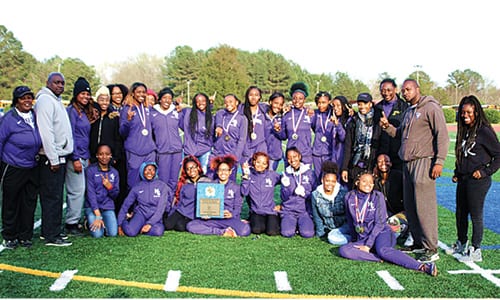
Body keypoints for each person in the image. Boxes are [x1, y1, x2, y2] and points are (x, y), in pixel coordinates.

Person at [380, 78, 449, 263]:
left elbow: (442, 136)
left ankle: (431, 247)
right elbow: (400, 134)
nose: (405, 93)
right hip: (407, 163)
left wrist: (439, 162)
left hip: (423, 162)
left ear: (417, 89)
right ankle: (419, 243)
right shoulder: (409, 112)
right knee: (411, 206)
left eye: (408, 89)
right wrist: (388, 128)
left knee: (424, 207)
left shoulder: (430, 107)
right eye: (403, 90)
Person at [338, 172, 437, 277]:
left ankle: (422, 266)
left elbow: (379, 223)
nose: (368, 184)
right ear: (357, 182)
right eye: (364, 181)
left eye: (371, 182)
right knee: (344, 250)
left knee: (383, 250)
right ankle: (377, 258)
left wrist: (367, 245)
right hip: (364, 236)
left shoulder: (377, 196)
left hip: (382, 233)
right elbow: (350, 219)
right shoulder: (349, 197)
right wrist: (355, 239)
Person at [448, 95, 500, 262]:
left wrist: (485, 172)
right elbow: (462, 155)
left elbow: (498, 155)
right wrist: (457, 171)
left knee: (475, 214)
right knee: (460, 213)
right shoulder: (464, 130)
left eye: (469, 112)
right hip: (464, 179)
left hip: (478, 180)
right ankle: (462, 242)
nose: (465, 115)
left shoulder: (484, 131)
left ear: (477, 112)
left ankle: (476, 249)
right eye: (462, 112)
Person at [34, 72, 73, 246]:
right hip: (51, 158)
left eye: (62, 83)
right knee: (51, 196)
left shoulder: (55, 100)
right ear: (48, 83)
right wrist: (53, 157)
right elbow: (46, 131)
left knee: (57, 196)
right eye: (56, 82)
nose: (60, 86)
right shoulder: (45, 101)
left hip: (60, 155)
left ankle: (53, 230)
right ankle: (51, 235)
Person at [0, 86, 41, 249]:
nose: (27, 101)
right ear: (16, 100)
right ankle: (10, 235)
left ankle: (25, 235)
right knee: (11, 202)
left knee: (29, 202)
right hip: (13, 166)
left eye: (29, 97)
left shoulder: (35, 115)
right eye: (23, 98)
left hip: (32, 166)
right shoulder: (9, 118)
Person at [187, 154, 251, 237]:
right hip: (213, 220)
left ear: (230, 172)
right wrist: (204, 214)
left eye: (226, 170)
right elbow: (203, 204)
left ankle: (230, 227)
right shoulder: (210, 186)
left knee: (245, 230)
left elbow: (238, 206)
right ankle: (222, 232)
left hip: (229, 220)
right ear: (217, 172)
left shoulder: (235, 187)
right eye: (220, 170)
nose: (223, 172)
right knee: (191, 226)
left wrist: (232, 214)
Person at [65, 77, 98, 235]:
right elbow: (70, 135)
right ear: (76, 94)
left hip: (85, 156)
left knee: (84, 189)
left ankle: (78, 219)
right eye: (82, 94)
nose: (85, 97)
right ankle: (71, 222)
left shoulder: (84, 112)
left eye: (87, 94)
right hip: (76, 157)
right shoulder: (71, 111)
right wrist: (75, 157)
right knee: (77, 190)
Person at [89, 86, 124, 213]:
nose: (104, 103)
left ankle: (109, 212)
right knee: (93, 186)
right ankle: (92, 213)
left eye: (106, 100)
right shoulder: (92, 115)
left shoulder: (113, 117)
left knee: (109, 185)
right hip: (94, 157)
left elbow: (117, 138)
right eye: (101, 99)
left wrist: (115, 156)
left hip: (108, 158)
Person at [119, 82, 157, 190]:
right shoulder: (127, 109)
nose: (141, 94)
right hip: (134, 151)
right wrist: (128, 120)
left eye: (144, 92)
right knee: (133, 183)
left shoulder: (148, 108)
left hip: (149, 151)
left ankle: (147, 206)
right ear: (133, 93)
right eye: (138, 92)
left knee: (149, 181)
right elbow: (122, 132)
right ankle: (133, 206)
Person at [118, 162, 171, 237]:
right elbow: (126, 204)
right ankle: (131, 224)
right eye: (146, 169)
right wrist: (120, 223)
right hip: (141, 214)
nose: (149, 172)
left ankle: (140, 228)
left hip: (155, 215)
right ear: (142, 171)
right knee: (130, 232)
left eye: (152, 169)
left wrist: (150, 224)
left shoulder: (162, 186)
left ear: (156, 171)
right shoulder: (137, 187)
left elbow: (161, 209)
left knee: (158, 231)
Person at [341, 93, 381, 189]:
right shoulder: (353, 121)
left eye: (365, 103)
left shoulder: (378, 121)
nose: (362, 106)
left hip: (371, 163)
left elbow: (381, 145)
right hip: (355, 163)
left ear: (370, 104)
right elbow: (348, 146)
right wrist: (345, 168)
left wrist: (376, 165)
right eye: (360, 104)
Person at [164, 155, 212, 232]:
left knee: (180, 227)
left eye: (193, 167)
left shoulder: (207, 182)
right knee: (167, 225)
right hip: (182, 211)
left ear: (198, 167)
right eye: (188, 169)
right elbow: (179, 201)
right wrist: (171, 213)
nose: (191, 170)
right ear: (186, 171)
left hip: (193, 214)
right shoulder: (185, 183)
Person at [278, 147, 316, 238]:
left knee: (308, 233)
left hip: (304, 211)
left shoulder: (309, 173)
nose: (292, 160)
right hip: (289, 211)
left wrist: (305, 193)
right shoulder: (286, 174)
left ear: (299, 156)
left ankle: (301, 224)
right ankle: (291, 224)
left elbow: (315, 195)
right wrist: (286, 188)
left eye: (294, 156)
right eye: (289, 157)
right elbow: (284, 198)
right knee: (287, 233)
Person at [241, 152, 281, 236]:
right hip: (256, 211)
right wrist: (246, 176)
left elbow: (287, 183)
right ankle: (254, 219)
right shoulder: (249, 174)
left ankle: (277, 220)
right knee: (256, 230)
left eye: (264, 163)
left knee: (272, 232)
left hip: (270, 210)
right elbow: (244, 192)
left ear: (267, 165)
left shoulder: (272, 175)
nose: (261, 165)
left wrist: (282, 205)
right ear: (254, 162)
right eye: (258, 162)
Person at [151, 87, 183, 190]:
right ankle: (163, 204)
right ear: (160, 99)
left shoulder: (176, 112)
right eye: (164, 98)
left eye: (170, 98)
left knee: (174, 181)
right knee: (163, 181)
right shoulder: (152, 113)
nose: (167, 100)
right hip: (162, 151)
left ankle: (171, 205)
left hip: (177, 151)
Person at [311, 161, 350, 245]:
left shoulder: (343, 193)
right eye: (327, 181)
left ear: (336, 182)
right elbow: (317, 216)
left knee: (332, 238)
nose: (330, 184)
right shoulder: (315, 195)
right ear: (322, 180)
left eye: (333, 181)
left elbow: (348, 214)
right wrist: (320, 234)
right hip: (328, 227)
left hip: (344, 226)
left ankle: (351, 238)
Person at [84, 144, 119, 238]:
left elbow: (115, 195)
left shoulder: (114, 172)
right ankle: (88, 220)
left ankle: (104, 222)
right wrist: (98, 215)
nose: (104, 157)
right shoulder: (90, 170)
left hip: (107, 207)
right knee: (97, 235)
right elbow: (90, 194)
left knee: (113, 234)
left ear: (111, 155)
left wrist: (109, 187)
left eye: (107, 154)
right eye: (101, 154)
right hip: (93, 208)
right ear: (97, 155)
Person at [274, 82, 313, 165]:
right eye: (294, 98)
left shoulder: (309, 113)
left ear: (304, 99)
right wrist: (278, 131)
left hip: (305, 155)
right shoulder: (287, 114)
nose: (297, 101)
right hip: (290, 155)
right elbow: (283, 136)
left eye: (300, 98)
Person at [212, 94, 248, 179]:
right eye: (226, 102)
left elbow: (242, 139)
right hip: (218, 153)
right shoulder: (221, 114)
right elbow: (218, 115)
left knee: (230, 181)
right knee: (214, 180)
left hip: (231, 154)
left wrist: (236, 156)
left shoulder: (242, 118)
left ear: (237, 102)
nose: (228, 104)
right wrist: (219, 125)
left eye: (231, 101)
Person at [375, 78, 408, 171]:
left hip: (398, 155)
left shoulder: (404, 107)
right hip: (382, 154)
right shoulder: (377, 108)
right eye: (383, 90)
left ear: (395, 89)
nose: (386, 93)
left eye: (389, 90)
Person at [180, 92, 214, 174]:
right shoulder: (187, 112)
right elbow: (177, 118)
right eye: (198, 101)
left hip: (205, 150)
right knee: (188, 175)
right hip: (189, 150)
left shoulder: (211, 118)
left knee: (203, 174)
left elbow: (212, 135)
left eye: (203, 100)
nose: (201, 103)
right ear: (194, 103)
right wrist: (176, 103)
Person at [240, 86, 269, 165]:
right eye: (251, 95)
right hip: (245, 148)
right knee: (246, 174)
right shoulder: (240, 109)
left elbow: (278, 108)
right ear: (247, 96)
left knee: (260, 173)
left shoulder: (264, 109)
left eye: (256, 95)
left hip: (260, 146)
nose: (253, 97)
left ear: (259, 97)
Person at [311, 91, 334, 179]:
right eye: (319, 103)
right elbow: (313, 127)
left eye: (323, 102)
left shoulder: (333, 113)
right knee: (318, 178)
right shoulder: (315, 113)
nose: (321, 105)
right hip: (316, 153)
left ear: (329, 102)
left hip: (329, 152)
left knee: (328, 177)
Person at [330, 95, 352, 180]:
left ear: (344, 106)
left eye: (338, 105)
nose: (335, 108)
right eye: (334, 106)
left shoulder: (349, 120)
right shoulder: (335, 118)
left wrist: (337, 125)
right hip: (334, 157)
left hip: (343, 157)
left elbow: (344, 138)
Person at [264, 92, 285, 171]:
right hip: (261, 154)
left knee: (269, 180)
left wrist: (278, 131)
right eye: (276, 103)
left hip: (274, 155)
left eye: (280, 104)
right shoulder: (261, 116)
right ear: (270, 102)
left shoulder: (282, 118)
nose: (278, 106)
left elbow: (284, 137)